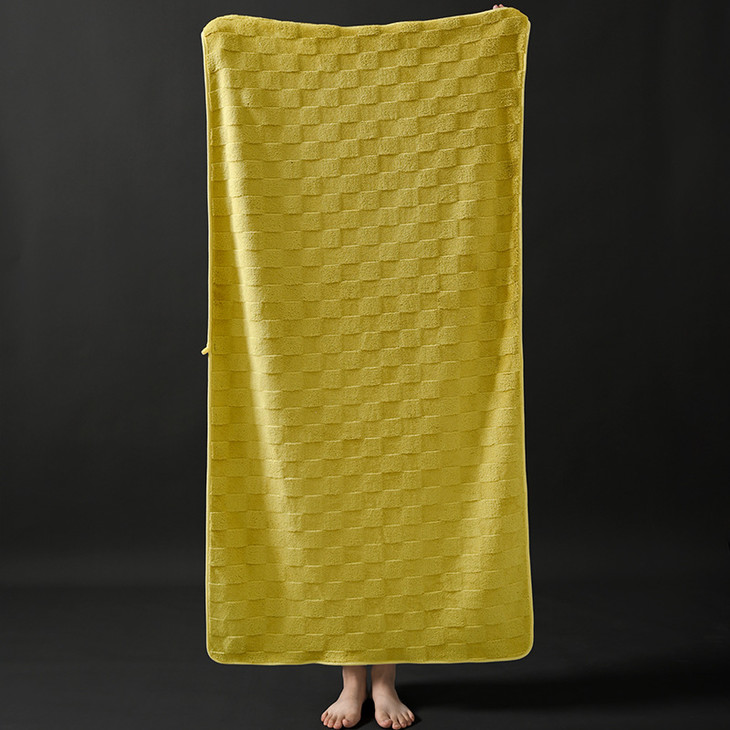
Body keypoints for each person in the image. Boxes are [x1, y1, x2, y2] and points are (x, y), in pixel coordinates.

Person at [320, 3, 507, 727]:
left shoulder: (415, 181)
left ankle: (386, 682)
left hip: (410, 341)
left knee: (400, 510)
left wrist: (488, 38)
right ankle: (351, 681)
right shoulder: (321, 186)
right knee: (340, 513)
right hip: (329, 344)